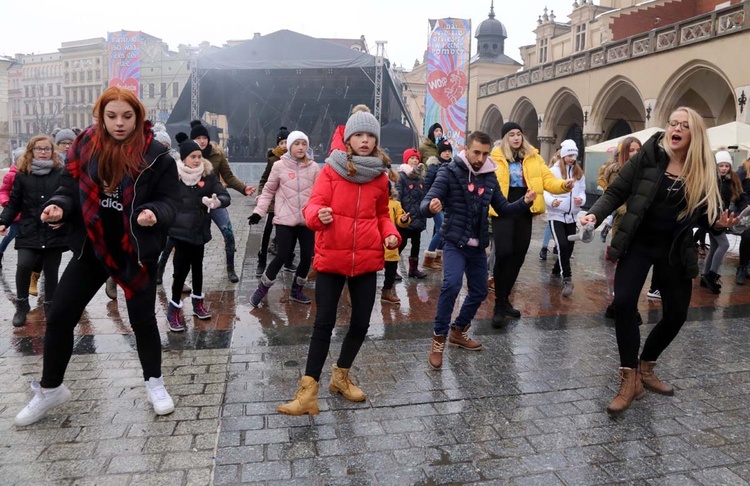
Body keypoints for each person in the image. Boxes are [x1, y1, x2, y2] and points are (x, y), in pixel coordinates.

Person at [12, 87, 181, 426]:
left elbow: (170, 201)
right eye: (112, 116)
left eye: (127, 116)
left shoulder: (156, 155)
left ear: (139, 116)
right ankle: (51, 388)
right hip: (93, 245)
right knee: (60, 314)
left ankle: (155, 383)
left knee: (143, 321)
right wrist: (58, 207)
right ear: (101, 117)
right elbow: (67, 188)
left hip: (134, 249)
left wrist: (153, 213)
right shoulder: (85, 146)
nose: (120, 124)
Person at [582, 106, 737, 417]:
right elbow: (617, 190)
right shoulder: (650, 153)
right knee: (624, 303)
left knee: (677, 314)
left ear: (695, 133)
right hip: (637, 243)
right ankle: (629, 379)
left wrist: (718, 225)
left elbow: (706, 219)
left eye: (683, 125)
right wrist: (594, 214)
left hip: (674, 250)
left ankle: (646, 366)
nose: (675, 129)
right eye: (672, 123)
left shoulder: (704, 169)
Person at [277, 107, 400, 416]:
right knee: (324, 324)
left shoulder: (380, 178)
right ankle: (307, 392)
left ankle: (341, 376)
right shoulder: (331, 170)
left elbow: (383, 214)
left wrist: (390, 233)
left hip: (368, 261)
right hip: (332, 257)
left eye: (370, 136)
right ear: (348, 139)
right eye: (359, 134)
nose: (365, 140)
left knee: (360, 323)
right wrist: (319, 215)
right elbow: (313, 206)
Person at [421, 131, 536, 369]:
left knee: (480, 291)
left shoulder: (489, 176)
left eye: (485, 153)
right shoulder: (449, 171)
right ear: (466, 148)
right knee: (451, 285)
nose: (480, 158)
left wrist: (524, 202)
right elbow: (426, 200)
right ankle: (438, 339)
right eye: (476, 152)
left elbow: (503, 208)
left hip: (477, 246)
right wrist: (430, 206)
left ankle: (458, 330)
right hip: (454, 242)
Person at [490, 122, 573, 325]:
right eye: (512, 135)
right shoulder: (494, 158)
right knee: (503, 253)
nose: (517, 138)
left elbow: (547, 180)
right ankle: (499, 305)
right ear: (504, 138)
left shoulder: (534, 157)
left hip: (525, 207)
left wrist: (563, 185)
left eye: (519, 134)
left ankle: (504, 299)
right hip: (502, 208)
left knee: (518, 254)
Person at [0, 135, 68, 326]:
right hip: (29, 229)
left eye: (47, 149)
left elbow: (69, 200)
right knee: (24, 265)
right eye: (39, 149)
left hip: (53, 230)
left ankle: (50, 306)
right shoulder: (23, 175)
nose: (43, 152)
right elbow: (14, 203)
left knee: (51, 270)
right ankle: (22, 305)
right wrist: (3, 221)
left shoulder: (60, 173)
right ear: (31, 151)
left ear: (52, 152)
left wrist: (65, 219)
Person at [248, 130, 320, 306]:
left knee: (306, 257)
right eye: (297, 144)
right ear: (290, 146)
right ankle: (262, 289)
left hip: (306, 220)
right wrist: (259, 212)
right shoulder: (279, 166)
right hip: (284, 220)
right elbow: (268, 190)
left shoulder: (314, 167)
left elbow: (320, 194)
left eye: (304, 144)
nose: (301, 147)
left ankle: (297, 291)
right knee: (282, 254)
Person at [166, 138, 230, 331]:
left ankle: (197, 303)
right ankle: (174, 308)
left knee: (198, 268)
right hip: (179, 231)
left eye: (199, 157)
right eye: (192, 157)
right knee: (180, 272)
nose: (197, 160)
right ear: (184, 158)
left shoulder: (208, 176)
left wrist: (216, 202)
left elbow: (224, 195)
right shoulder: (174, 176)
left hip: (199, 231)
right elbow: (163, 199)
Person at [189, 120, 255, 283]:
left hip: (215, 201)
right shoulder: (188, 156)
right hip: (195, 205)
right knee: (185, 240)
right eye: (198, 138)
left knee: (229, 233)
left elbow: (229, 177)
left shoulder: (217, 156)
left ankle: (230, 269)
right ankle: (165, 273)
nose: (202, 141)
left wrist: (243, 188)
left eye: (204, 137)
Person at [544, 140, 586, 297]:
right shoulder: (553, 171)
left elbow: (582, 192)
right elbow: (545, 190)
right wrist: (552, 201)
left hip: (572, 216)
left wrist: (581, 200)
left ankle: (555, 273)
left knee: (569, 248)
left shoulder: (579, 173)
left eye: (574, 155)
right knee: (562, 245)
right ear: (563, 155)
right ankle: (567, 280)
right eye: (569, 155)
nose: (572, 158)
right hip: (556, 215)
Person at [256, 126, 295, 278]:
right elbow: (264, 179)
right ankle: (262, 260)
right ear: (278, 144)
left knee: (291, 232)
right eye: (282, 143)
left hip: (289, 203)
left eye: (287, 142)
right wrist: (261, 195)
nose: (285, 146)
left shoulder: (296, 159)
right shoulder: (273, 160)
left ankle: (288, 261)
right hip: (273, 203)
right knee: (266, 232)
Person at [700, 150, 741, 293]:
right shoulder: (711, 180)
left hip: (720, 217)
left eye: (726, 166)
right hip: (713, 219)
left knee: (714, 246)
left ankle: (705, 277)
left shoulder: (730, 180)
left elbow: (735, 197)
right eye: (721, 166)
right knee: (724, 244)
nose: (724, 168)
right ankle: (711, 276)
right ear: (715, 166)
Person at [422, 139, 453, 270]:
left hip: (447, 204)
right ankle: (428, 258)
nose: (447, 154)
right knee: (442, 229)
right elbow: (427, 186)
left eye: (449, 151)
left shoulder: (452, 166)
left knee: (443, 229)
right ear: (439, 152)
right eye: (444, 151)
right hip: (435, 203)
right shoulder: (433, 167)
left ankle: (438, 256)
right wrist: (429, 201)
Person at [396, 148, 427, 279]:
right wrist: (399, 214)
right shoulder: (401, 177)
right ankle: (392, 268)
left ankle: (413, 269)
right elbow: (397, 195)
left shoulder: (421, 178)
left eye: (416, 158)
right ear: (406, 160)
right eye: (412, 158)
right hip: (405, 218)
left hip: (418, 218)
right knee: (400, 244)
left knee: (416, 244)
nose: (415, 160)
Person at [382, 181, 410, 304]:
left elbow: (400, 218)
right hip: (374, 240)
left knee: (391, 267)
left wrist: (404, 219)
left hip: (391, 240)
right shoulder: (373, 202)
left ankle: (387, 290)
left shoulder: (396, 204)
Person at [0, 148, 25, 271]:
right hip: (15, 212)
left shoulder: (29, 174)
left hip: (28, 212)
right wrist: (6, 202)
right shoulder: (11, 175)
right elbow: (3, 191)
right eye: (22, 159)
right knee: (12, 234)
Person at [539, 150, 562, 261]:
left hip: (562, 203)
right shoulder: (551, 170)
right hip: (553, 201)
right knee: (550, 225)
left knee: (556, 226)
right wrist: (551, 200)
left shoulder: (566, 170)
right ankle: (544, 247)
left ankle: (555, 246)